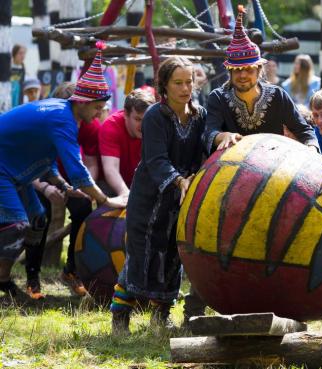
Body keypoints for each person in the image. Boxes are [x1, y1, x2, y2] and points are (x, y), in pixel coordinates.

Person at [0, 42, 127, 298]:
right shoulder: (62, 118)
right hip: (3, 169)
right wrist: (104, 200)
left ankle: (12, 279)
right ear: (82, 101)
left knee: (37, 221)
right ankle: (2, 280)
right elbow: (77, 169)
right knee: (17, 225)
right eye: (97, 107)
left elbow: (46, 165)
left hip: (14, 172)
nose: (100, 113)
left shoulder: (64, 116)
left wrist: (66, 188)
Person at [110, 56, 206, 334]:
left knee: (173, 256)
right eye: (178, 83)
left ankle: (161, 318)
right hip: (149, 197)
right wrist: (177, 181)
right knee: (142, 256)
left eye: (189, 81)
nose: (186, 88)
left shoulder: (199, 115)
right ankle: (120, 317)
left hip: (181, 199)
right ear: (164, 85)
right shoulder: (155, 116)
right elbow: (156, 159)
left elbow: (204, 147)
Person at [203, 6, 319, 155]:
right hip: (231, 171)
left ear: (259, 70)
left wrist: (311, 149)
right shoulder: (218, 98)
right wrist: (222, 136)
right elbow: (209, 132)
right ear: (230, 72)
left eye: (249, 69)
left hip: (273, 167)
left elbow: (303, 129)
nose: (243, 75)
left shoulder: (277, 95)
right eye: (237, 70)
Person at [22, 82, 101, 299]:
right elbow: (28, 165)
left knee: (84, 208)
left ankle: (71, 271)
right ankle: (32, 277)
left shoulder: (90, 125)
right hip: (40, 177)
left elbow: (92, 163)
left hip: (73, 179)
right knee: (40, 217)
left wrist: (83, 187)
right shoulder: (43, 123)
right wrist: (46, 187)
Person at [99, 89, 155, 196]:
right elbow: (111, 169)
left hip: (139, 181)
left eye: (146, 119)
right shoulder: (111, 126)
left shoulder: (154, 124)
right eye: (138, 119)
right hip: (111, 184)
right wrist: (126, 195)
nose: (143, 125)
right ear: (126, 114)